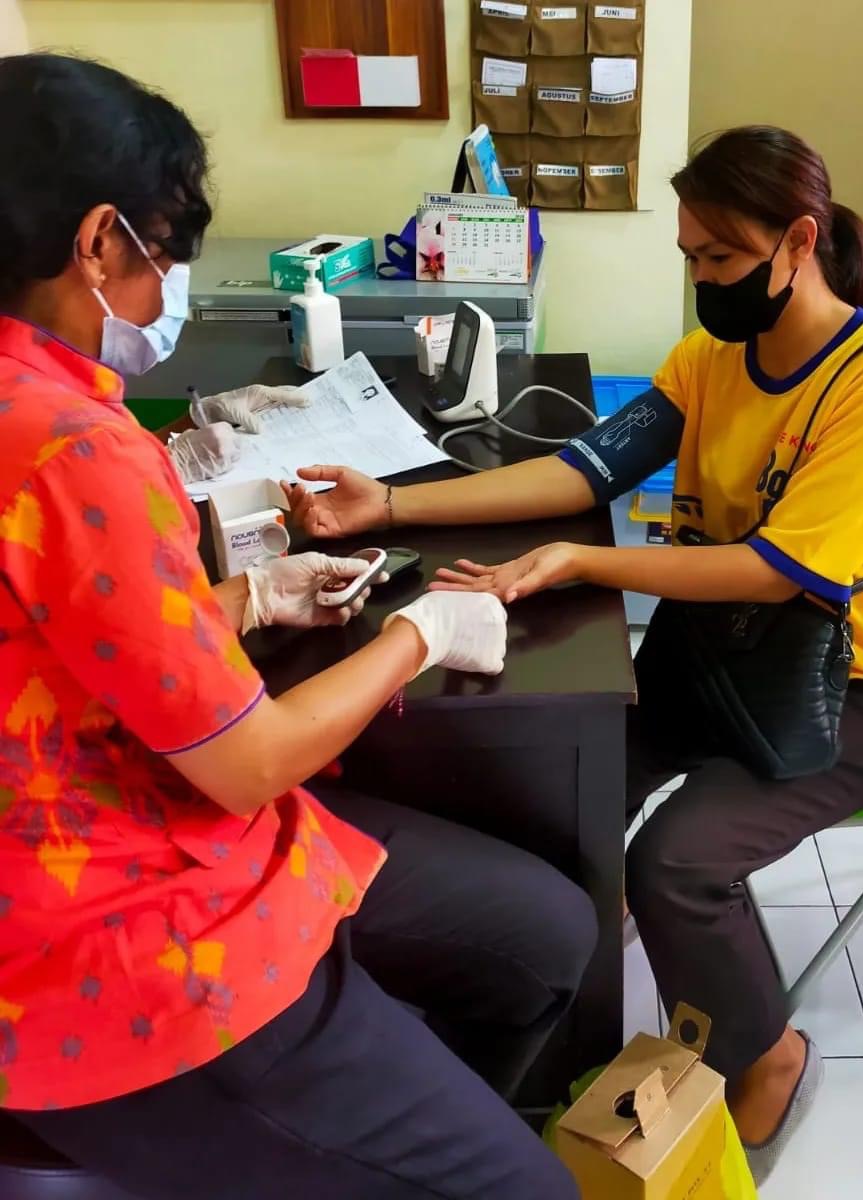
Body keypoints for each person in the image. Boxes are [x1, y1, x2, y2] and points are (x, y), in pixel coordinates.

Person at [287, 125, 863, 1184]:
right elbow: (584, 469)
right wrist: (395, 505)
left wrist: (579, 563)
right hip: (720, 662)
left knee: (676, 861)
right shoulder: (712, 360)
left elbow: (780, 570)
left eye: (722, 257)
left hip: (856, 689)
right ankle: (556, 1019)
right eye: (690, 256)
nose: (702, 280)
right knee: (555, 788)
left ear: (800, 242)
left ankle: (771, 1058)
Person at [0, 53, 594, 1200]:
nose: (171, 286)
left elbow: (74, 651)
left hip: (147, 831)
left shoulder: (51, 417)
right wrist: (422, 632)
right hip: (126, 944)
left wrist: (247, 598)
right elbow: (245, 762)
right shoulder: (73, 451)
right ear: (98, 241)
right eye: (165, 253)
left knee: (542, 934)